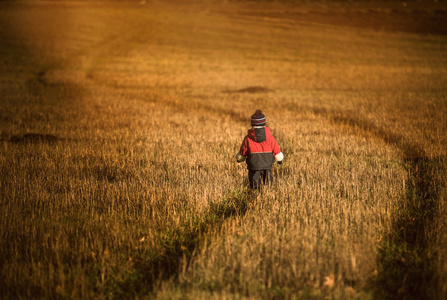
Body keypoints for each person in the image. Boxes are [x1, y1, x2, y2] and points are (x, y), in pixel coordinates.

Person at [236, 109, 284, 190]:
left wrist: (239, 159)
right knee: (268, 184)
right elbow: (276, 150)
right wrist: (279, 159)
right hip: (267, 165)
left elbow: (243, 152)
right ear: (264, 123)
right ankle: (267, 196)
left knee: (255, 186)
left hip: (254, 166)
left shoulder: (248, 138)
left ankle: (256, 196)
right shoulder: (270, 138)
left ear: (252, 124)